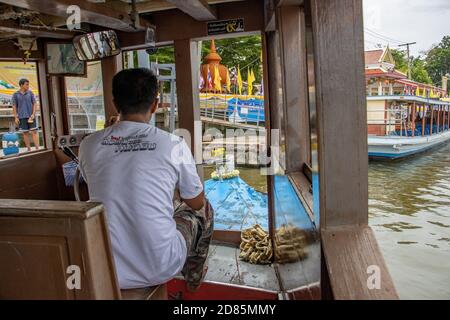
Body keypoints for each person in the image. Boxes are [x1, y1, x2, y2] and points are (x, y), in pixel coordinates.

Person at [78, 68, 213, 292]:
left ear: (114, 103)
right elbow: (197, 202)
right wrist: (175, 196)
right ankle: (193, 275)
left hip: (105, 267)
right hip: (161, 265)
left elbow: (97, 180)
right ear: (155, 104)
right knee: (204, 210)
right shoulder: (173, 144)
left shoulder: (88, 145)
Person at [12, 78, 39, 151]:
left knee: (34, 132)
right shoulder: (15, 94)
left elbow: (34, 104)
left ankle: (37, 149)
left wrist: (33, 114)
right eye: (26, 84)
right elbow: (14, 106)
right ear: (21, 85)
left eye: (28, 84)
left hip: (31, 116)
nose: (28, 86)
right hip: (21, 116)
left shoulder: (30, 93)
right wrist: (16, 117)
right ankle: (29, 149)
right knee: (25, 133)